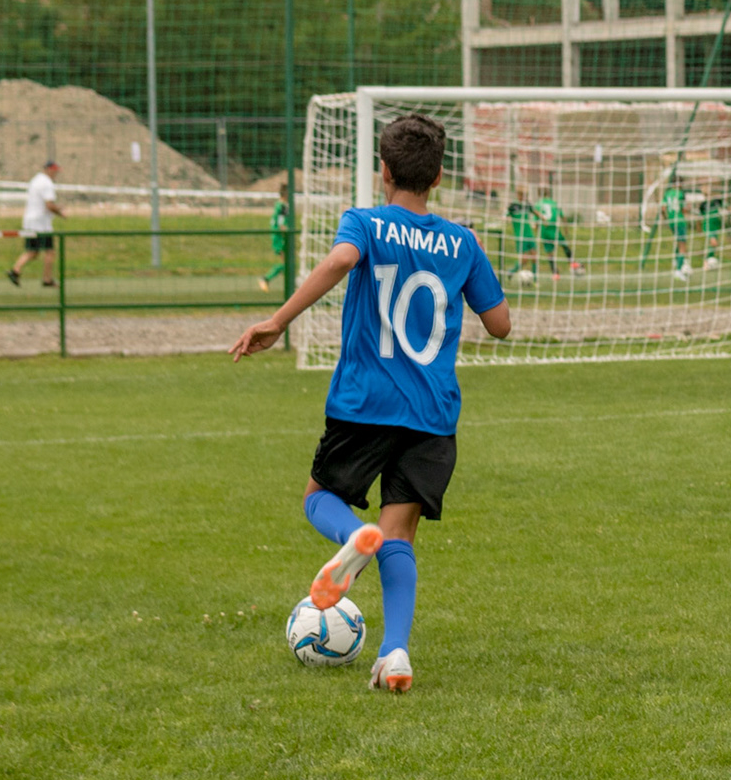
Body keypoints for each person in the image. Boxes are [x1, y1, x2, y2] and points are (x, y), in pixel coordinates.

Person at [230, 114, 511, 694]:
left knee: (319, 499)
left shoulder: (365, 222)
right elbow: (501, 325)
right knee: (401, 532)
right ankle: (395, 652)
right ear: (438, 175)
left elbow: (338, 262)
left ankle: (354, 539)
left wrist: (278, 320)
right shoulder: (463, 241)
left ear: (384, 171)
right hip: (432, 412)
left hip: (365, 400)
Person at [8, 160, 64, 287]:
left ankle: (15, 271)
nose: (56, 174)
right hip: (41, 224)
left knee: (32, 251)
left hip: (30, 221)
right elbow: (49, 205)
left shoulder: (36, 180)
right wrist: (61, 212)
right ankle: (47, 280)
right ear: (49, 169)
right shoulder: (47, 183)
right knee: (50, 251)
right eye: (55, 171)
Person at [534, 192, 582, 277]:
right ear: (548, 193)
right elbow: (562, 216)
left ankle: (555, 273)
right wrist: (566, 229)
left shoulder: (537, 204)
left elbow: (536, 221)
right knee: (564, 245)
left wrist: (536, 230)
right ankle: (572, 263)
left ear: (539, 194)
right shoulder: (553, 203)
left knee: (549, 252)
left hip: (544, 231)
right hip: (554, 229)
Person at [259, 185, 290, 292]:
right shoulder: (283, 206)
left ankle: (291, 285)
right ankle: (266, 278)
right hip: (280, 237)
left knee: (287, 263)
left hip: (277, 236)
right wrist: (286, 232)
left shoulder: (279, 204)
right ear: (286, 194)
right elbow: (282, 224)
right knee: (286, 263)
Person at [663, 183, 690, 280]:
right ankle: (679, 269)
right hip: (680, 221)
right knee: (682, 245)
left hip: (671, 221)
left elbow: (663, 208)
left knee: (679, 243)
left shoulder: (667, 193)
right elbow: (684, 209)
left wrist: (666, 218)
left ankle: (678, 261)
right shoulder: (680, 194)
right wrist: (688, 209)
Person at [505, 200, 538, 281]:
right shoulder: (513, 206)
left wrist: (543, 219)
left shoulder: (526, 204)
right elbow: (505, 215)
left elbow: (535, 212)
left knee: (535, 257)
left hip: (529, 235)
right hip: (520, 236)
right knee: (524, 260)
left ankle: (535, 280)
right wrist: (506, 218)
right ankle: (511, 272)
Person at [700, 196, 724, 269]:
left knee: (713, 245)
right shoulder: (705, 207)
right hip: (707, 227)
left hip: (714, 228)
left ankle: (709, 260)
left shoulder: (716, 205)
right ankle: (706, 262)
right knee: (714, 243)